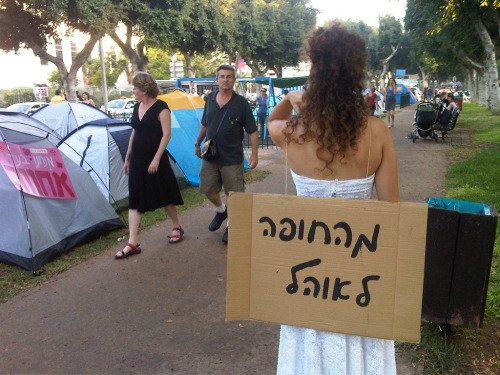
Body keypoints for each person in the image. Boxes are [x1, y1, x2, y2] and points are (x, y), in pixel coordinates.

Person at [267, 23, 399, 375]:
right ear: (357, 72)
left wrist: (288, 98)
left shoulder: (291, 133)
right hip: (360, 277)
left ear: (315, 69)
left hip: (306, 276)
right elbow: (392, 214)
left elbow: (271, 121)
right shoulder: (377, 133)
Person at [115, 72, 184, 259]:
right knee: (135, 198)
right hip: (137, 159)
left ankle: (177, 226)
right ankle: (132, 242)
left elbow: (166, 135)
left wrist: (156, 158)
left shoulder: (162, 107)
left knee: (165, 194)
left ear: (144, 89)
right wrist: (128, 157)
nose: (133, 91)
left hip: (155, 159)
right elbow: (134, 133)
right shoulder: (137, 107)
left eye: (135, 88)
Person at [194, 64, 258, 244]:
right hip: (211, 154)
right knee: (207, 189)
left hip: (232, 157)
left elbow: (252, 130)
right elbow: (205, 123)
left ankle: (232, 225)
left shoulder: (241, 103)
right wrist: (197, 142)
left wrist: (254, 154)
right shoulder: (210, 98)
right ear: (216, 79)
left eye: (229, 76)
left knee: (235, 195)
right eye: (222, 76)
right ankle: (222, 211)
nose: (225, 79)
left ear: (234, 80)